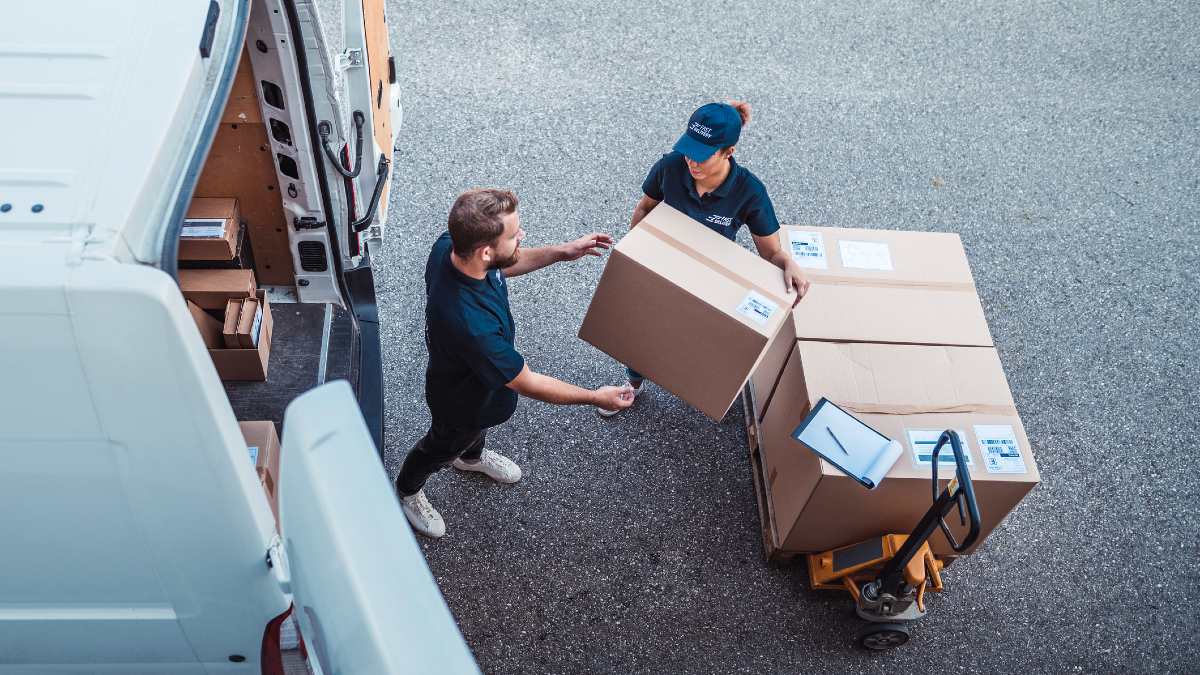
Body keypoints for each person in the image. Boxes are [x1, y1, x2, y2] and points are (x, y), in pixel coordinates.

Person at [397, 188, 635, 538]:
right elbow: (527, 382)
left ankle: (470, 458)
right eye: (514, 234)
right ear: (486, 250)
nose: (521, 236)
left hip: (482, 385)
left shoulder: (452, 248)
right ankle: (408, 491)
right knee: (442, 443)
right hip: (461, 400)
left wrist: (561, 252)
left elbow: (507, 264)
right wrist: (596, 397)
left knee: (473, 433)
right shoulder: (472, 327)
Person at [599, 100, 810, 417]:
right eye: (689, 148)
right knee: (643, 329)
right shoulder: (670, 167)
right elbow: (645, 207)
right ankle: (634, 381)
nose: (691, 161)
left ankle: (696, 385)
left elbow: (771, 252)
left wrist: (788, 264)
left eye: (703, 154)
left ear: (728, 152)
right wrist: (634, 251)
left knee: (694, 336)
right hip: (662, 265)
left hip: (710, 277)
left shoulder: (749, 192)